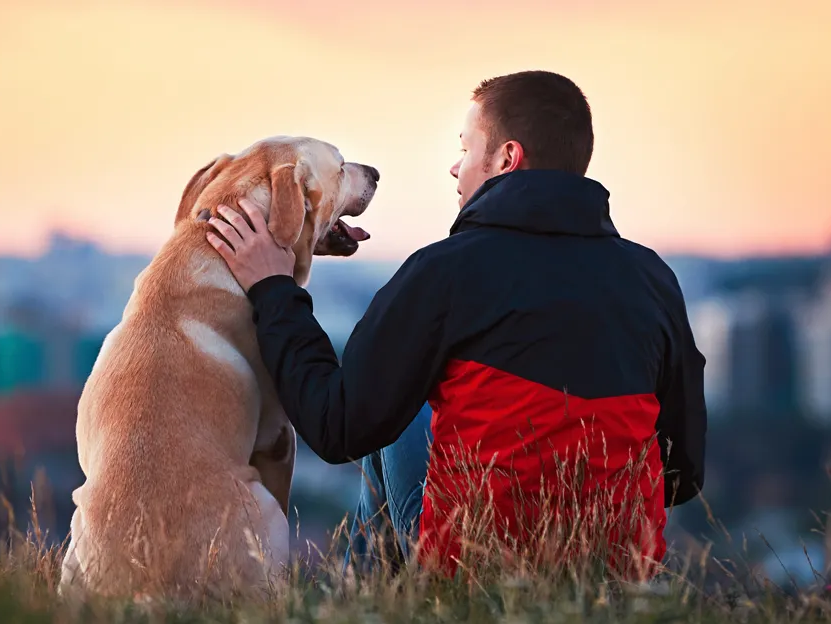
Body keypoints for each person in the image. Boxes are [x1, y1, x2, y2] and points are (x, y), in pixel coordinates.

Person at [204, 70, 707, 580]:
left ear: (507, 159)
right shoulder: (653, 281)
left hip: (476, 567)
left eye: (466, 149)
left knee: (392, 414)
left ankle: (370, 618)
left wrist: (273, 289)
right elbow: (681, 472)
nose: (454, 167)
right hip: (618, 573)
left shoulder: (444, 271)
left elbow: (336, 427)